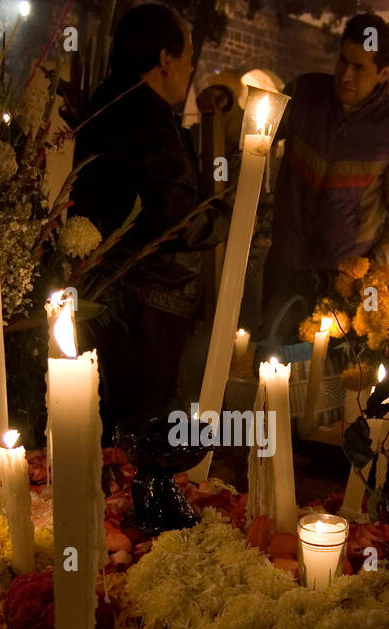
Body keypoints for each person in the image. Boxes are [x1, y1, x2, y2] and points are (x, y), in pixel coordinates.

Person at [70, 3, 226, 438]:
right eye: (189, 57)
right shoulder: (147, 124)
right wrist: (230, 217)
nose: (191, 68)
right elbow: (176, 220)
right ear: (164, 60)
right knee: (140, 433)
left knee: (112, 424)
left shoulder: (108, 102)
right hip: (149, 308)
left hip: (110, 298)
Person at [257, 12, 389, 347]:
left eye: (360, 67)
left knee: (319, 384)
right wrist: (224, 109)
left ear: (384, 73)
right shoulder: (304, 94)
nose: (345, 75)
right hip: (284, 266)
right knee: (270, 368)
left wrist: (371, 275)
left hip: (339, 284)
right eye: (343, 61)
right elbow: (254, 132)